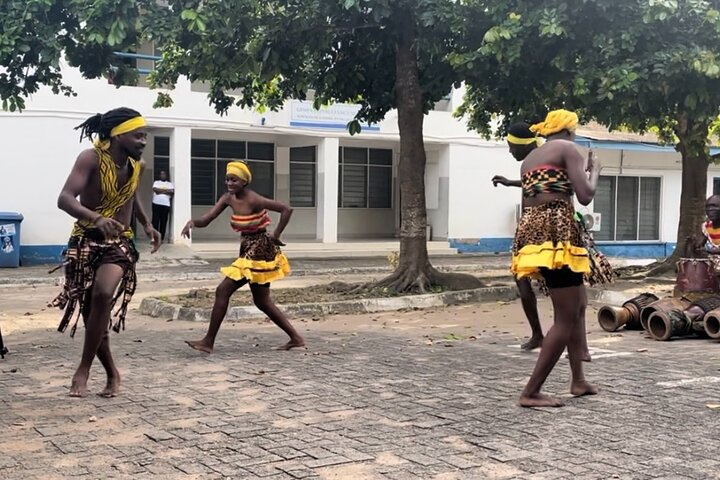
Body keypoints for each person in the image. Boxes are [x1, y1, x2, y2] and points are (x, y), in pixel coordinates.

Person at [52, 107, 161, 398]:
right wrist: (97, 218)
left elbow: (131, 195)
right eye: (138, 135)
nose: (143, 141)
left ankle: (83, 370)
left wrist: (147, 224)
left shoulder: (137, 166)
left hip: (119, 243)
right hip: (85, 242)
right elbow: (64, 198)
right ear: (118, 134)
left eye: (144, 136)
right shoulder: (90, 159)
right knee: (93, 318)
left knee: (102, 294)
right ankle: (112, 373)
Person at [512, 109, 611, 407]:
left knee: (578, 303)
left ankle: (578, 380)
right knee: (566, 316)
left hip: (535, 236)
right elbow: (584, 196)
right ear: (569, 131)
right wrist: (594, 171)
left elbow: (537, 196)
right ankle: (530, 392)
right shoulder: (568, 148)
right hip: (556, 236)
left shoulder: (531, 158)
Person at [182, 160, 305, 353]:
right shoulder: (228, 198)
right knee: (262, 301)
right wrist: (192, 222)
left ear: (244, 182)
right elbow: (207, 219)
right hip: (247, 246)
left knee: (223, 291)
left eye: (234, 180)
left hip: (260, 248)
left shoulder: (254, 199)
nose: (230, 183)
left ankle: (208, 342)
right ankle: (296, 338)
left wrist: (276, 235)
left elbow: (286, 209)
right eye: (227, 179)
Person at [492, 122, 545, 351]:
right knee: (522, 277)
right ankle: (540, 335)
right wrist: (509, 182)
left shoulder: (536, 159)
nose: (510, 151)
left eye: (512, 146)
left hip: (540, 227)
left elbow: (542, 185)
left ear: (524, 144)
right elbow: (534, 183)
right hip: (531, 227)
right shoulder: (535, 160)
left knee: (529, 279)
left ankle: (545, 335)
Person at [151, 170, 174, 242]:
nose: (163, 175)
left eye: (164, 174)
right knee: (155, 221)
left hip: (166, 205)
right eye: (161, 174)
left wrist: (160, 191)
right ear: (159, 176)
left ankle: (161, 238)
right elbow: (155, 190)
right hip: (156, 204)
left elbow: (172, 191)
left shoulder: (170, 184)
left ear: (166, 176)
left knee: (163, 222)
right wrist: (166, 191)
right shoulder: (156, 182)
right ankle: (155, 237)